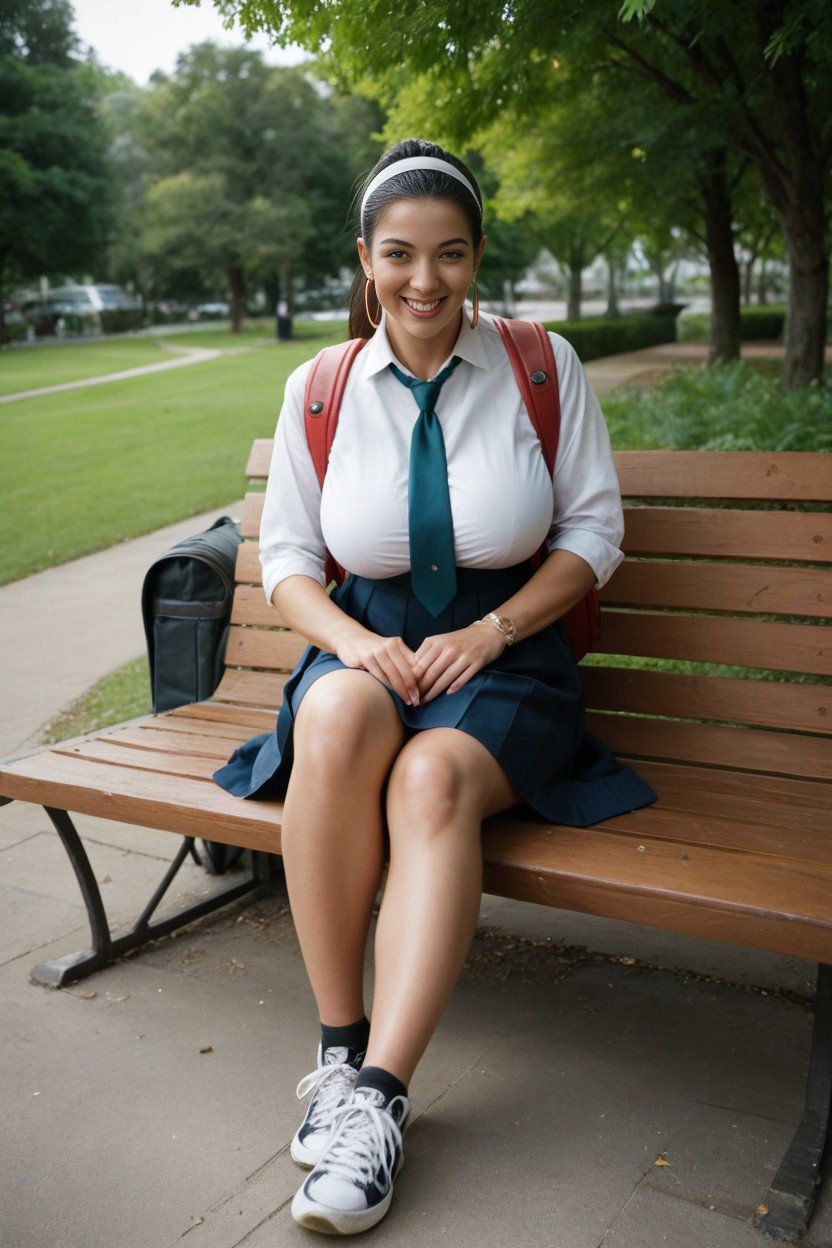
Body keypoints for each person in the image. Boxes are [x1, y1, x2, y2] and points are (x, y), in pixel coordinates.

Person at [212, 136, 658, 1236]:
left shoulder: (541, 367)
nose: (425, 282)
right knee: (334, 717)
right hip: (365, 642)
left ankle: (379, 1098)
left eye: (450, 255)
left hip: (507, 657)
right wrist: (350, 646)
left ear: (478, 254)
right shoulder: (319, 386)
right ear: (364, 258)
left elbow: (595, 530)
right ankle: (335, 1050)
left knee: (428, 785)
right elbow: (286, 562)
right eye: (400, 256)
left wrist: (497, 628)